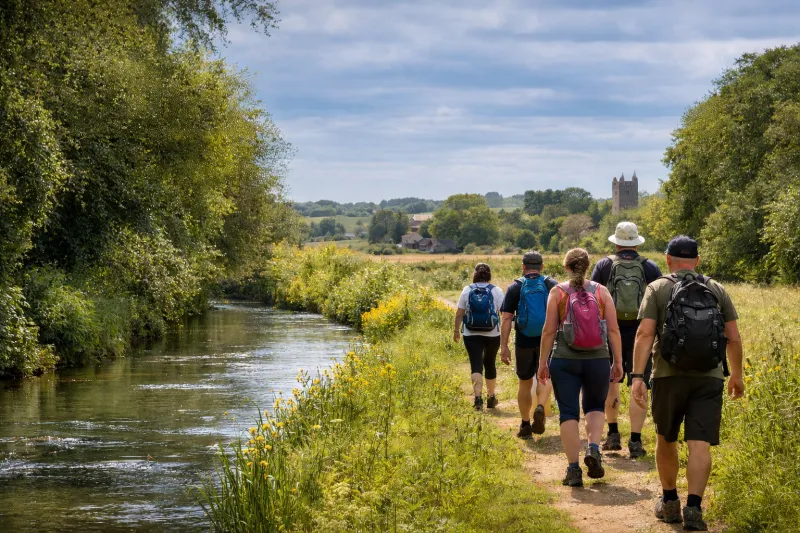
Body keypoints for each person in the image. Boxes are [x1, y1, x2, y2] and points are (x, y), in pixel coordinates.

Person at [631, 235, 744, 531]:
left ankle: (670, 503)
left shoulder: (658, 287)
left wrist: (638, 377)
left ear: (668, 259)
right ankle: (694, 509)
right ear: (697, 260)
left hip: (668, 376)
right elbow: (733, 336)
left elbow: (644, 335)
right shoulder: (716, 288)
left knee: (665, 438)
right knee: (700, 445)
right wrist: (736, 375)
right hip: (709, 377)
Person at [538, 248, 623, 487]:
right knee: (595, 407)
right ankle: (594, 449)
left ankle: (573, 470)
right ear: (587, 266)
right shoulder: (601, 291)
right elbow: (614, 330)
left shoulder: (558, 292)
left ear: (566, 267)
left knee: (568, 413)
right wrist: (618, 361)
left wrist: (543, 363)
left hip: (565, 360)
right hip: (598, 359)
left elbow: (548, 331)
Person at [591, 221, 662, 458]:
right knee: (638, 383)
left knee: (612, 381)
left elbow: (592, 300)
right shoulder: (650, 267)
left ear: (616, 242)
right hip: (643, 333)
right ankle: (636, 441)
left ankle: (612, 435)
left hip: (609, 332)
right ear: (636, 241)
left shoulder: (604, 266)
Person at [500, 251, 558, 439]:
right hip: (548, 340)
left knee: (524, 383)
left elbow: (507, 318)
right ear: (541, 267)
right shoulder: (551, 285)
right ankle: (540, 405)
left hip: (524, 340)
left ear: (523, 266)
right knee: (545, 376)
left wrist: (504, 346)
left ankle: (525, 424)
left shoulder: (515, 287)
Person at [454, 263, 505, 410]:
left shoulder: (467, 289)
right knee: (490, 364)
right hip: (492, 333)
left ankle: (477, 399)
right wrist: (505, 335)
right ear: (489, 275)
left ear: (475, 274)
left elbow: (459, 313)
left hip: (471, 333)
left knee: (475, 364)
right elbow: (504, 313)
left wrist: (456, 331)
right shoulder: (496, 290)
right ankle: (491, 397)